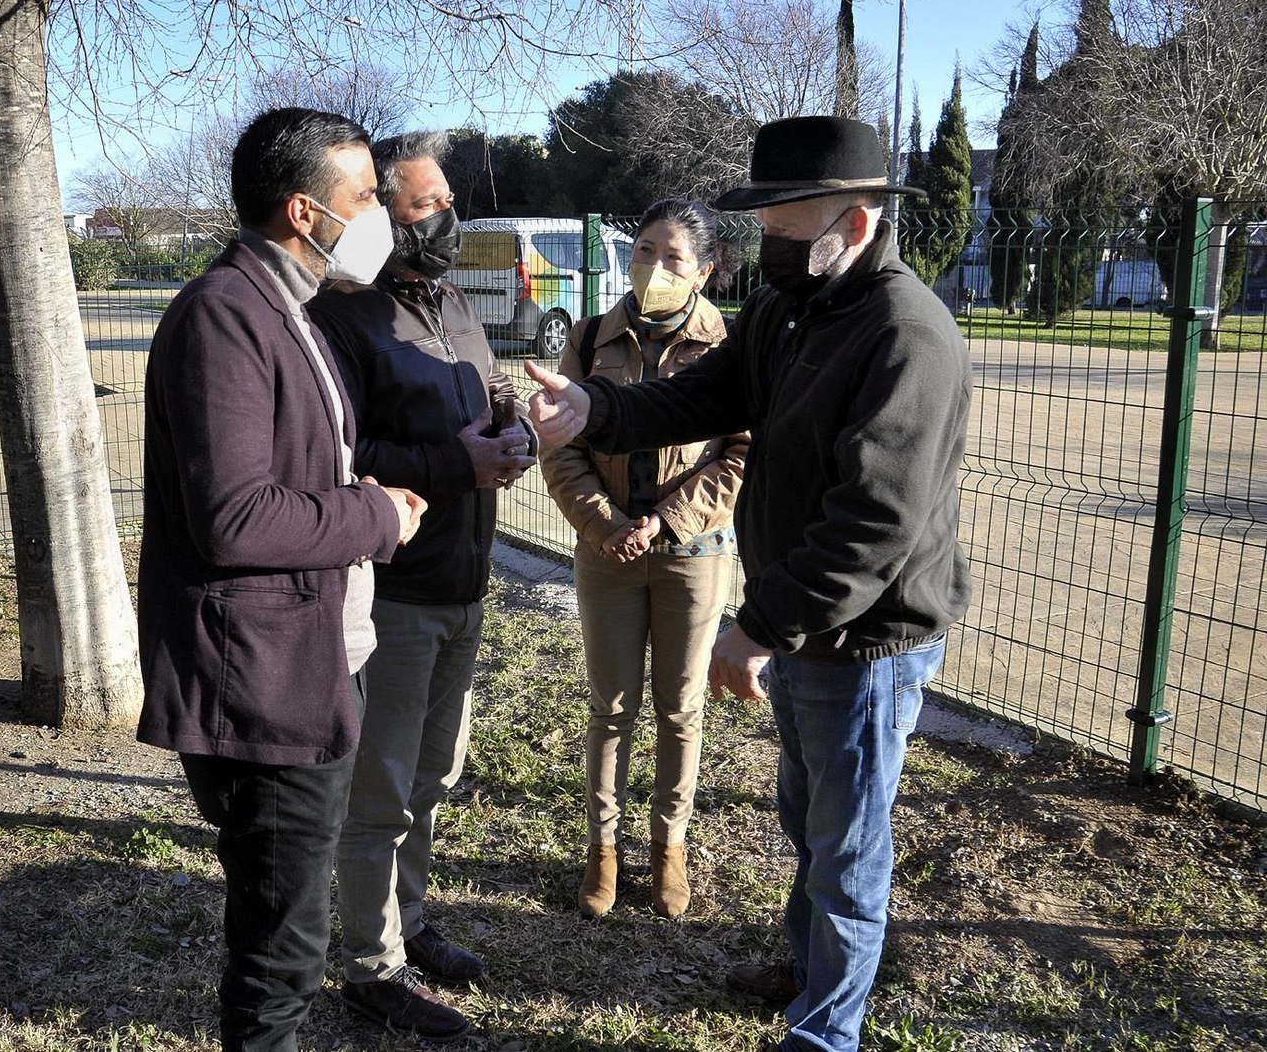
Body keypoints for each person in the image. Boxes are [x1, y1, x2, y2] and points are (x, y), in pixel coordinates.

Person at [523, 116, 971, 1052]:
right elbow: (701, 395)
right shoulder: (789, 308)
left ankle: (825, 1032)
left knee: (847, 850)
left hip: (865, 640)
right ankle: (809, 972)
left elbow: (872, 525)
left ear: (852, 226)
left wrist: (758, 624)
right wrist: (594, 406)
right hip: (806, 628)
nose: (767, 243)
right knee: (809, 821)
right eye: (763, 224)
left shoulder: (905, 334)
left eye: (782, 227)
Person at [136, 107, 427, 1052]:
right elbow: (234, 516)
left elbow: (297, 470)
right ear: (305, 211)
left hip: (307, 660)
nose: (381, 213)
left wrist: (368, 491)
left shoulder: (287, 307)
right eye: (366, 196)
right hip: (263, 684)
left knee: (289, 927)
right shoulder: (223, 315)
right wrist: (374, 517)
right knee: (282, 947)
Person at [308, 130, 536, 1041]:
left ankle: (409, 921)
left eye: (448, 200)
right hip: (395, 590)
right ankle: (371, 966)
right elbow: (342, 452)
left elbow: (479, 390)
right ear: (386, 219)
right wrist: (455, 461)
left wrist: (509, 417)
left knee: (433, 777)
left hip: (464, 584)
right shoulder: (345, 317)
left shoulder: (452, 299)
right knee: (382, 791)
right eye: (424, 203)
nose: (447, 216)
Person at [537, 198, 747, 921]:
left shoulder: (727, 347)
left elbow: (740, 453)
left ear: (705, 271)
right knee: (611, 705)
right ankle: (602, 849)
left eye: (674, 257)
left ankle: (668, 846)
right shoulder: (591, 337)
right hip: (608, 553)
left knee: (680, 707)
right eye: (644, 252)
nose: (655, 268)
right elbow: (561, 444)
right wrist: (605, 523)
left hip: (694, 552)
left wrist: (667, 520)